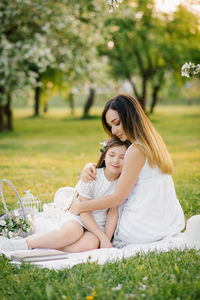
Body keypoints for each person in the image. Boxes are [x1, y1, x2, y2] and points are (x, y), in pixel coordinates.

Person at [70, 94, 185, 248]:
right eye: (110, 126)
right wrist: (89, 166)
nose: (114, 130)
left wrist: (80, 207)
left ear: (130, 117)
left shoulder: (136, 150)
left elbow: (117, 198)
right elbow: (115, 170)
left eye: (116, 123)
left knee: (95, 219)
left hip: (141, 228)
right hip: (169, 222)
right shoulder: (154, 142)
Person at [0, 137, 129, 252]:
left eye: (122, 157)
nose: (116, 161)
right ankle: (25, 244)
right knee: (72, 232)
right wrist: (101, 236)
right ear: (105, 155)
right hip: (78, 217)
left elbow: (113, 212)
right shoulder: (92, 176)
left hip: (98, 225)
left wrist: (105, 238)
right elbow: (83, 211)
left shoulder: (122, 183)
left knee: (90, 245)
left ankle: (50, 245)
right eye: (112, 155)